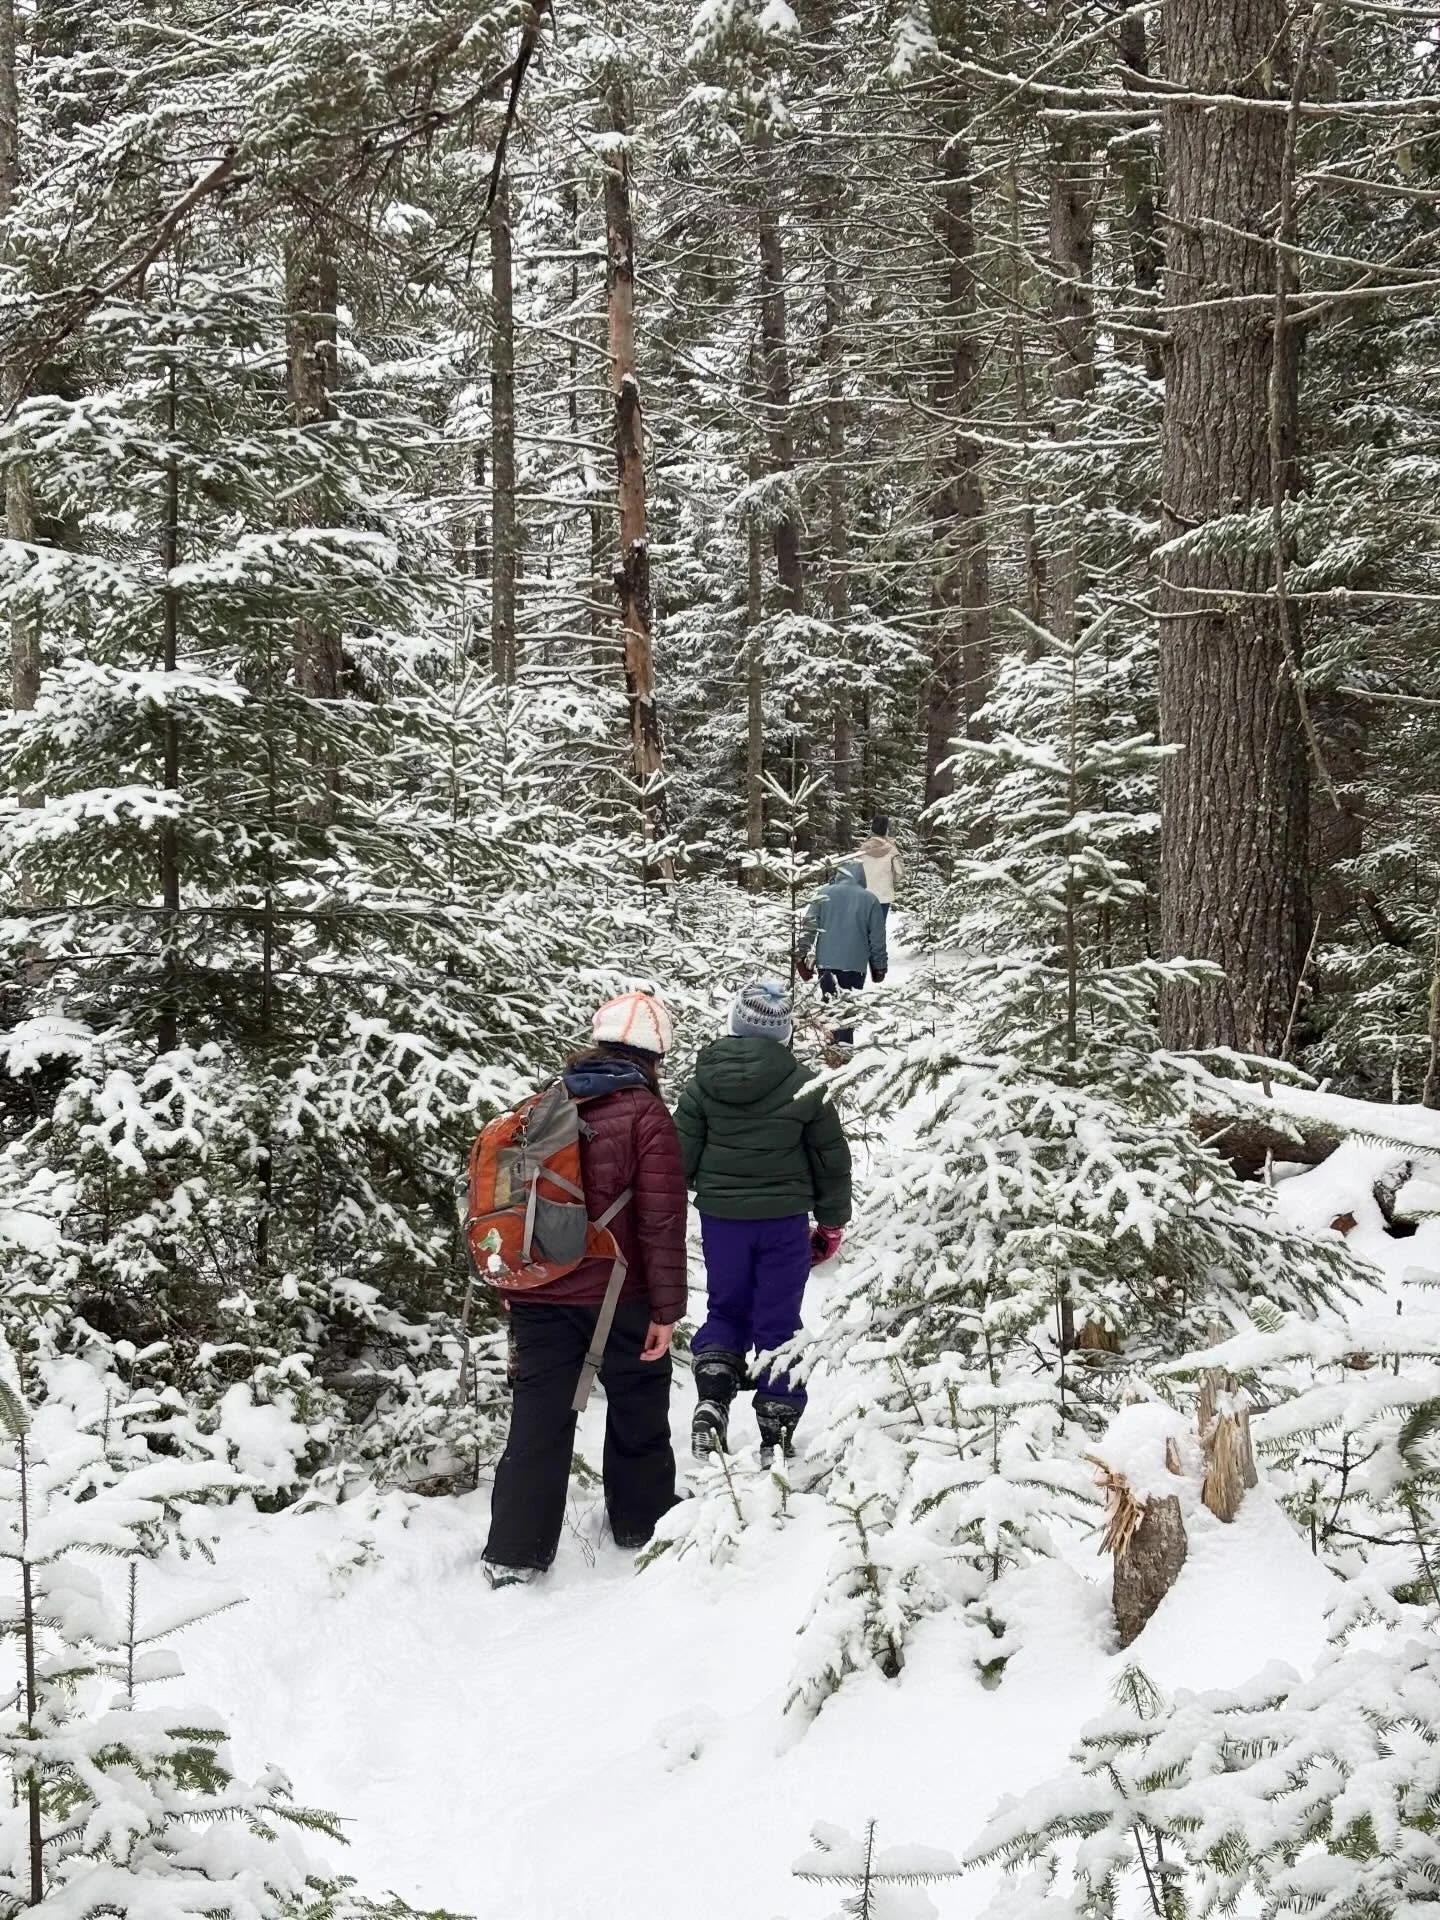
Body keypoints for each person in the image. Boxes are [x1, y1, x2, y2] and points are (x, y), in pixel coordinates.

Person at [482, 991, 687, 1588]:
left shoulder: (545, 1103)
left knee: (538, 1419)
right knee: (639, 1405)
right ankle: (641, 1522)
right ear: (655, 1054)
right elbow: (660, 1219)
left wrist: (514, 1281)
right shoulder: (647, 1115)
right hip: (620, 1295)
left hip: (540, 1290)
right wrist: (667, 1310)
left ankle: (515, 1552)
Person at [674, 981, 852, 1463]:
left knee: (726, 1308)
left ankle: (713, 1399)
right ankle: (777, 1422)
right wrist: (831, 1225)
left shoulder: (700, 1086)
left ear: (735, 1022)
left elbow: (679, 1161)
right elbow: (831, 1161)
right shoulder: (806, 1084)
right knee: (778, 1318)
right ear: (784, 1032)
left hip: (722, 1221)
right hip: (784, 1224)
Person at [797, 860, 888, 1045]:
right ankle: (844, 1051)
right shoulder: (869, 899)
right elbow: (877, 937)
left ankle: (833, 1051)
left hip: (826, 964)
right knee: (847, 1010)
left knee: (830, 1008)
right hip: (855, 966)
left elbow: (809, 927)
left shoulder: (823, 894)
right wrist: (879, 967)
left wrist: (801, 957)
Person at [856, 814, 903, 919]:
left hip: (864, 895)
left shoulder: (861, 850)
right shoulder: (892, 851)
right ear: (886, 829)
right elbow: (899, 873)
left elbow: (855, 871)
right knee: (879, 929)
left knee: (863, 929)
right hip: (883, 895)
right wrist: (893, 882)